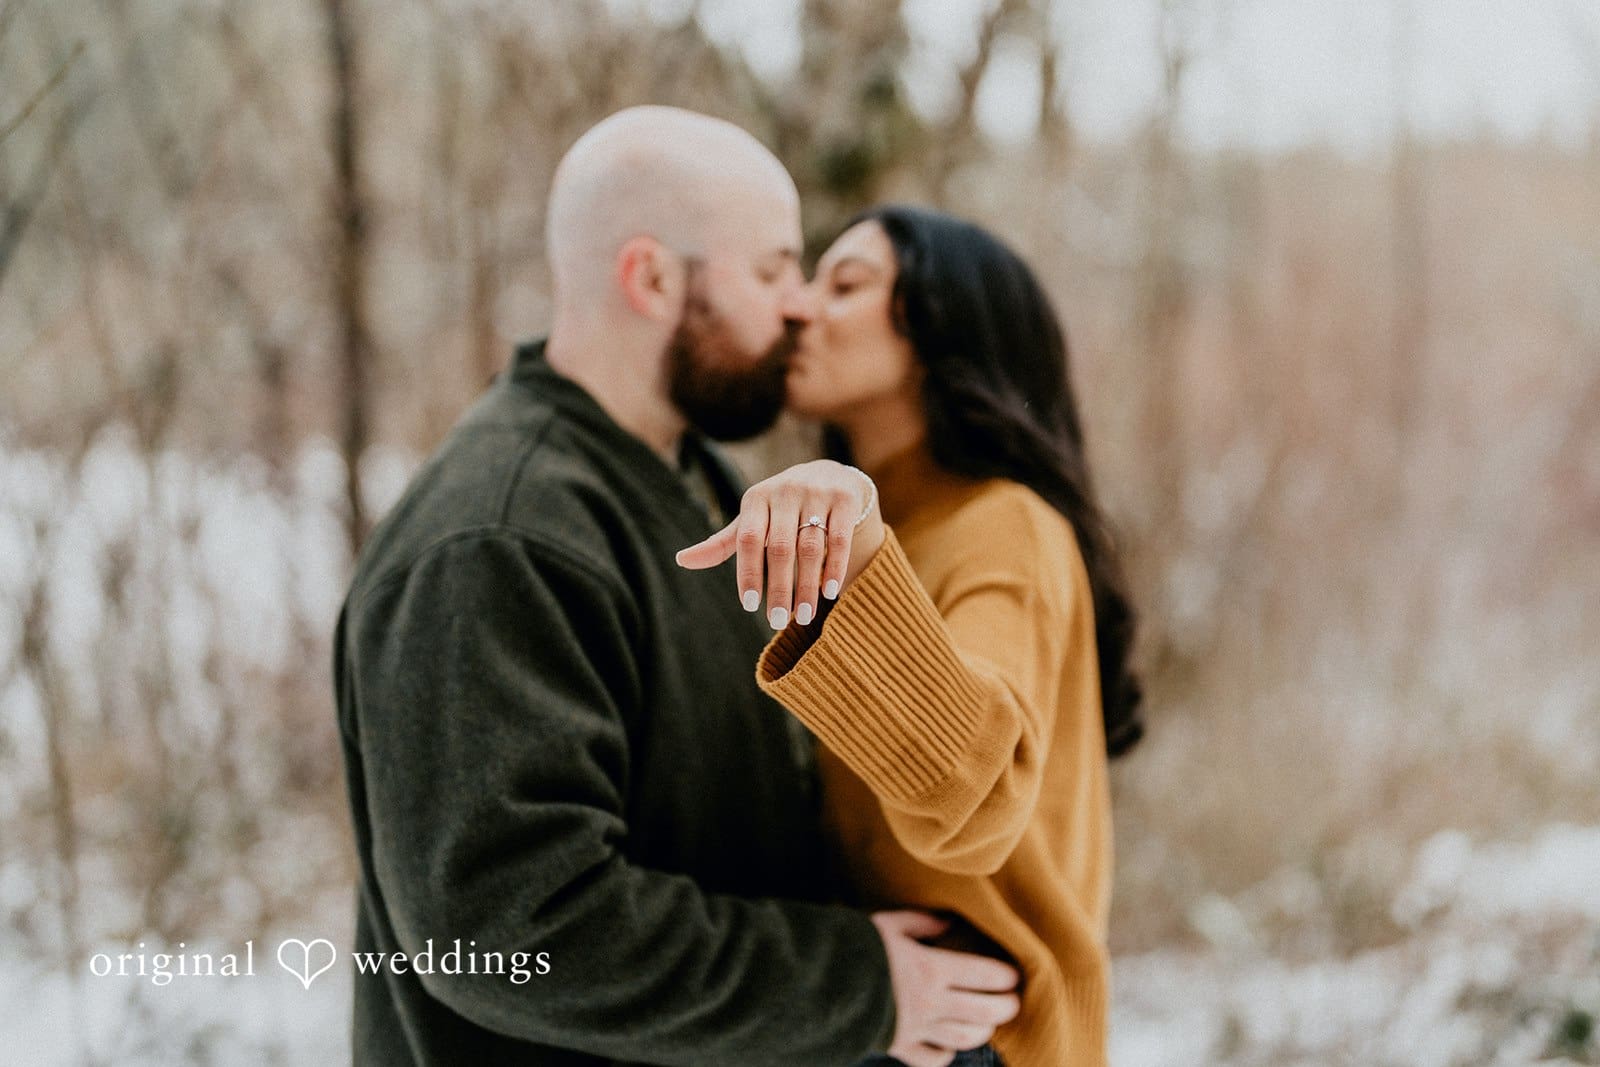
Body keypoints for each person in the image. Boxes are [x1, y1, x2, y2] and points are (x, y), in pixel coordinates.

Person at [331, 111, 1021, 1066]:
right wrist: (857, 985)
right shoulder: (497, 536)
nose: (799, 305)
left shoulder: (696, 477)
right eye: (774, 269)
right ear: (652, 278)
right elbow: (504, 931)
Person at [678, 205, 1144, 1067]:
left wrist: (854, 539)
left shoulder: (1005, 525)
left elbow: (974, 797)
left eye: (845, 284)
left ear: (941, 325)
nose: (800, 309)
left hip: (975, 1036)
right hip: (878, 1019)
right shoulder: (896, 524)